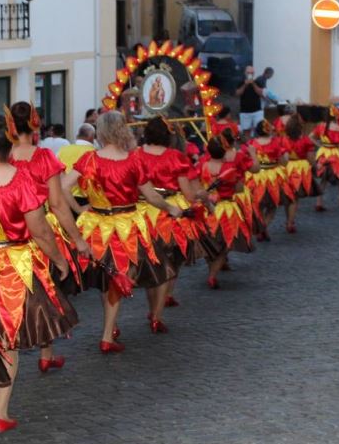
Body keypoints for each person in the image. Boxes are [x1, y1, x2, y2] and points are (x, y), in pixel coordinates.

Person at [0, 115, 80, 430]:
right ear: (10, 145)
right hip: (14, 268)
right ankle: (0, 413)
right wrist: (59, 259)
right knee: (8, 338)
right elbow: (40, 230)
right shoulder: (21, 179)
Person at [66, 111, 184, 352]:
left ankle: (111, 326)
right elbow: (150, 196)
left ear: (100, 131)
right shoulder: (133, 161)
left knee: (109, 278)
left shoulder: (89, 160)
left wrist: (79, 207)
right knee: (122, 275)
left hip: (96, 226)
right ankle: (108, 335)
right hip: (127, 227)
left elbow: (62, 186)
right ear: (122, 130)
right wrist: (170, 207)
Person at [6, 102, 88, 372]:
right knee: (47, 289)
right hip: (39, 229)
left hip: (6, 233)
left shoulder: (2, 156)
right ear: (34, 124)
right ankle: (46, 352)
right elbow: (58, 204)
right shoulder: (42, 157)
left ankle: (30, 348)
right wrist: (77, 239)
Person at [135, 117, 204, 331]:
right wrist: (201, 196)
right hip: (170, 214)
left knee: (150, 263)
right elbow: (189, 194)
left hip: (142, 212)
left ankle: (152, 308)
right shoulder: (176, 157)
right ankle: (157, 315)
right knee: (170, 263)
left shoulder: (135, 155)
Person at [198, 129, 257, 289]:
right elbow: (238, 189)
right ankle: (212, 275)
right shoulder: (229, 169)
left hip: (205, 208)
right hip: (226, 209)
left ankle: (211, 266)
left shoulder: (202, 165)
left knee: (209, 241)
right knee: (225, 244)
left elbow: (195, 185)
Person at [311, 103, 339, 211]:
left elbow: (311, 137)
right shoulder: (337, 127)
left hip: (323, 153)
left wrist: (320, 145)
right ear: (335, 115)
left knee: (324, 179)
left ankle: (319, 203)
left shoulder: (320, 125)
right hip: (334, 154)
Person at [282, 115, 317, 231]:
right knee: (295, 198)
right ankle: (290, 223)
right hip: (300, 169)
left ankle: (288, 219)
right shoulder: (306, 140)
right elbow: (311, 158)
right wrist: (314, 166)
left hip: (286, 168)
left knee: (288, 196)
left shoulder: (283, 140)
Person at [236, 66, 264, 134]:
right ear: (245, 73)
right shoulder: (241, 82)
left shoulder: (258, 82)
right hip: (245, 111)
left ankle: (257, 144)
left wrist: (253, 84)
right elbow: (238, 94)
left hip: (257, 111)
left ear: (254, 73)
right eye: (248, 73)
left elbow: (261, 94)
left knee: (260, 131)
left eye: (252, 73)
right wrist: (245, 85)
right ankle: (248, 144)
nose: (250, 75)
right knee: (246, 131)